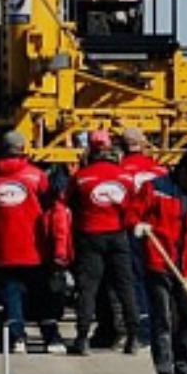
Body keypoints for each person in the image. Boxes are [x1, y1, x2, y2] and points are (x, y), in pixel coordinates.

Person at [0, 131, 67, 354]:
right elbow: (51, 208)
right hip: (34, 247)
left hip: (3, 247)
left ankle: (17, 338)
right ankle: (51, 339)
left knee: (11, 294)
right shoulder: (36, 176)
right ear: (23, 149)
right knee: (42, 294)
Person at [133, 150, 187, 374]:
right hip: (159, 264)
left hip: (184, 270)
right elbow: (131, 212)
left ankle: (184, 369)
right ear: (183, 172)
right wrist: (139, 224)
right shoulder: (155, 189)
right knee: (163, 320)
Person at [68, 129, 140, 355]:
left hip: (89, 235)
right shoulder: (125, 177)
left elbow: (68, 201)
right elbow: (134, 206)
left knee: (88, 289)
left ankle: (82, 339)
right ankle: (133, 339)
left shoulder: (81, 177)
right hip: (118, 235)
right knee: (125, 287)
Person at [117, 127, 167, 334]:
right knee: (158, 277)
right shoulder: (160, 171)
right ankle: (160, 322)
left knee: (134, 278)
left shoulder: (119, 171)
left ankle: (141, 326)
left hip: (129, 230)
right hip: (157, 231)